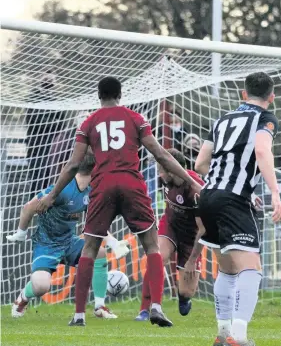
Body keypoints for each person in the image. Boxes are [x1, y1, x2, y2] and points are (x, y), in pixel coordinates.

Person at [36, 76, 202, 327]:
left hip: (102, 186)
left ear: (99, 95)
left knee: (90, 247)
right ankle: (155, 307)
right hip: (131, 183)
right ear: (120, 94)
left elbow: (72, 165)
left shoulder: (88, 123)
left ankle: (79, 315)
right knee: (151, 246)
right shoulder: (136, 119)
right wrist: (192, 182)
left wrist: (51, 195)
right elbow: (161, 154)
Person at [186, 72, 281, 346]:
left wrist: (228, 184)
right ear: (271, 96)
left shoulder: (222, 120)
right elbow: (262, 151)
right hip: (232, 200)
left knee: (228, 270)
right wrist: (274, 193)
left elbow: (201, 162)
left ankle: (223, 333)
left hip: (207, 196)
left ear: (244, 94)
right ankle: (238, 338)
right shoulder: (265, 119)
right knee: (251, 268)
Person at [7, 152, 129, 319]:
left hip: (68, 241)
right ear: (95, 170)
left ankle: (100, 307)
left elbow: (94, 225)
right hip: (46, 244)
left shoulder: (91, 192)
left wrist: (114, 243)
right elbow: (29, 207)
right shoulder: (62, 190)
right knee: (42, 286)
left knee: (99, 253)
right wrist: (21, 233)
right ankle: (23, 298)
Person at [135, 149, 204, 321]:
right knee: (157, 257)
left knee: (186, 292)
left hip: (192, 236)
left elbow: (203, 229)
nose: (159, 174)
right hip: (170, 226)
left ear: (173, 169)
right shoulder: (166, 181)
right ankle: (144, 310)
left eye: (161, 170)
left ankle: (184, 297)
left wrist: (192, 260)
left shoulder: (195, 189)